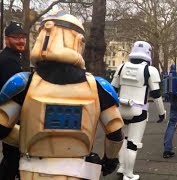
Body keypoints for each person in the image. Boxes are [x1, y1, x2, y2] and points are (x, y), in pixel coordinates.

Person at [0, 10, 124, 179]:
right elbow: (115, 131)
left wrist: (27, 137)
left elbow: (2, 127)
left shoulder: (23, 83)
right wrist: (110, 160)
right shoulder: (98, 87)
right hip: (79, 170)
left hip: (32, 169)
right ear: (79, 41)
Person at [111, 41, 166, 180]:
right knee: (133, 143)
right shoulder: (150, 70)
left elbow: (112, 90)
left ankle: (122, 167)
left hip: (120, 109)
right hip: (138, 111)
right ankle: (128, 175)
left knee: (122, 140)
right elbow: (156, 95)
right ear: (148, 53)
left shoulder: (121, 67)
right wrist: (161, 113)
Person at [0, 21, 27, 180]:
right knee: (12, 157)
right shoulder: (8, 60)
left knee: (12, 157)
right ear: (6, 39)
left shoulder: (14, 57)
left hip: (10, 115)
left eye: (23, 37)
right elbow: (14, 92)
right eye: (16, 37)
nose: (21, 41)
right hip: (11, 115)